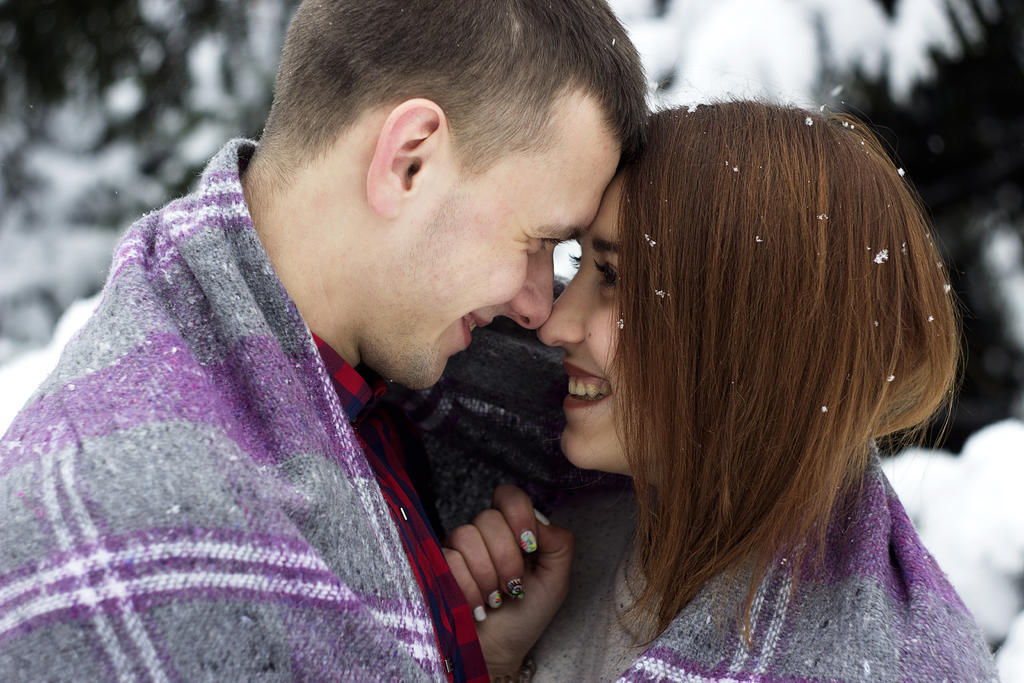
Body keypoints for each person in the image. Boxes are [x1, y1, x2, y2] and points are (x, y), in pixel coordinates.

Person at [0, 2, 647, 680]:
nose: (539, 306)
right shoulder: (116, 524)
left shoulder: (358, 396)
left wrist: (479, 662)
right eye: (539, 241)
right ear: (409, 162)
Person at [439, 102, 998, 680]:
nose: (555, 324)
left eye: (614, 278)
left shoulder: (900, 666)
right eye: (580, 263)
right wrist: (498, 663)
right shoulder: (580, 531)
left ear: (749, 334)